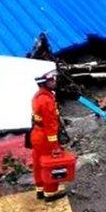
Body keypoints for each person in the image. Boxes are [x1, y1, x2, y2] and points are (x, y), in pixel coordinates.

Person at [31, 69, 65, 200]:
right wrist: (55, 145)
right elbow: (51, 125)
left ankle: (40, 189)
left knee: (38, 163)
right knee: (50, 164)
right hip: (45, 137)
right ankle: (50, 192)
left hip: (37, 134)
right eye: (51, 80)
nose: (54, 81)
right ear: (45, 83)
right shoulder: (46, 100)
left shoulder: (38, 96)